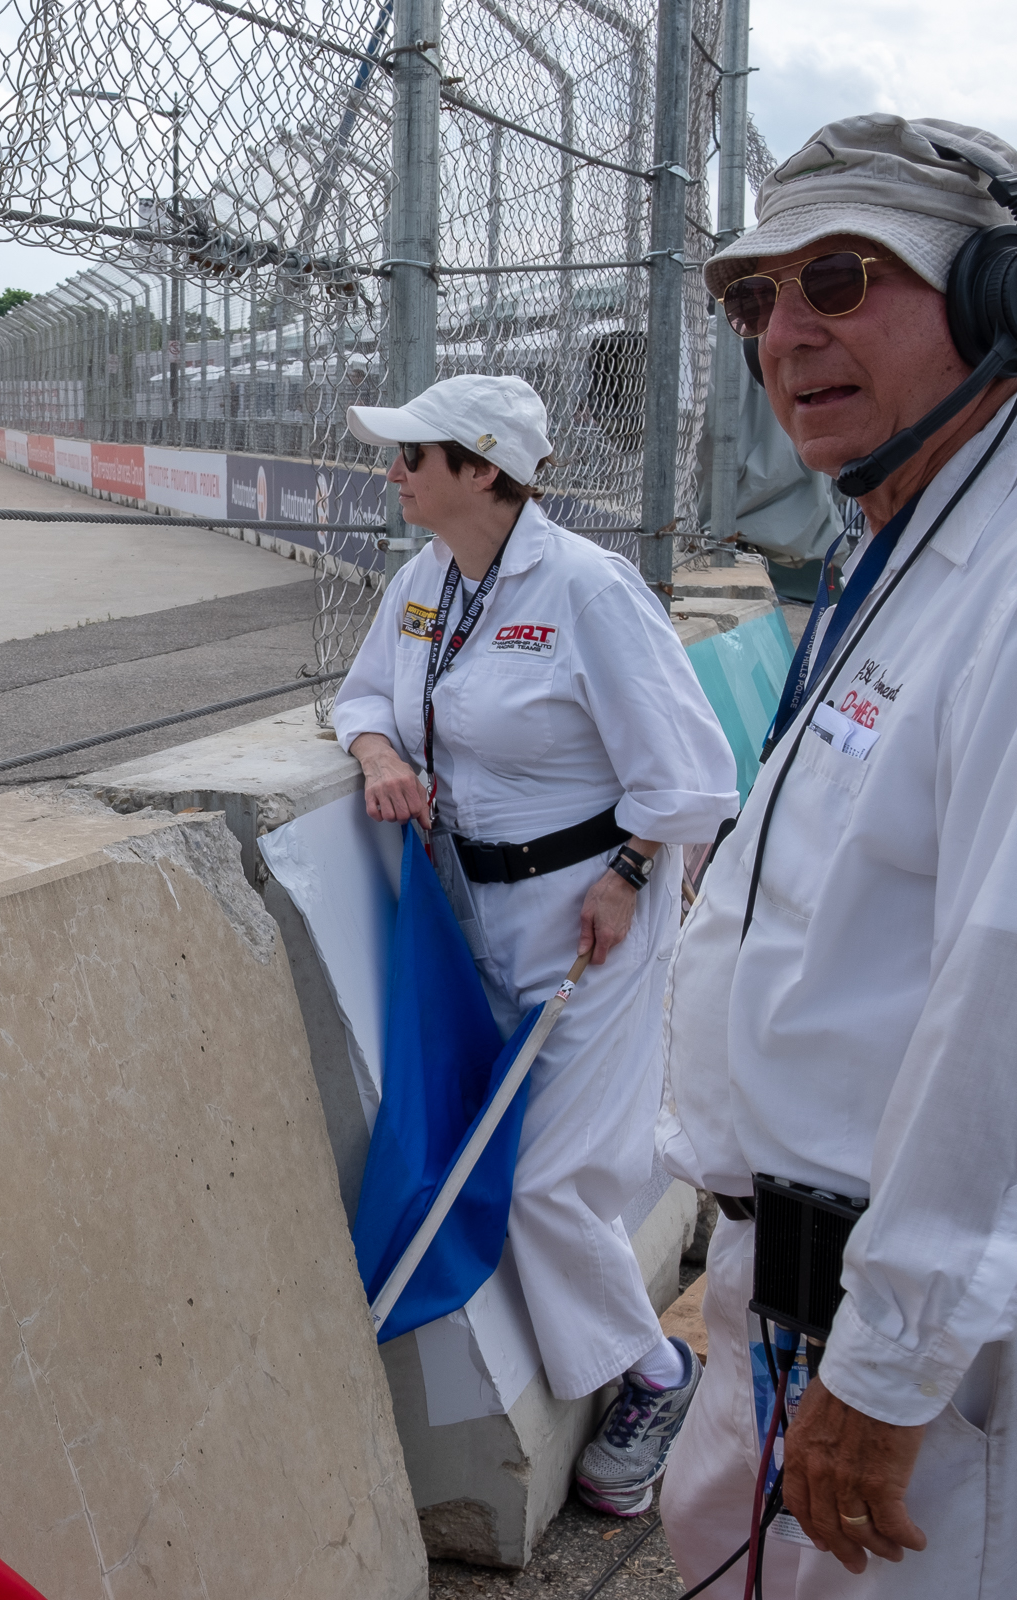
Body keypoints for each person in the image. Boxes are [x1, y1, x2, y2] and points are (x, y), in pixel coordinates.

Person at [659, 113, 1017, 1598]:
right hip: (838, 1283)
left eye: (839, 279)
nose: (785, 333)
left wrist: (893, 1363)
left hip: (960, 1323)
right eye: (755, 298)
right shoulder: (923, 531)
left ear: (1001, 303)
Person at [333, 373, 739, 1516]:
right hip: (472, 916)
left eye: (415, 456)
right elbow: (360, 698)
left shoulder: (589, 589)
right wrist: (379, 756)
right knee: (505, 1156)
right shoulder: (424, 580)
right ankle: (641, 1361)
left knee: (547, 1179)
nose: (394, 473)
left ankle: (656, 1374)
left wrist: (629, 874)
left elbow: (694, 774)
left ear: (481, 469)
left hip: (591, 917)